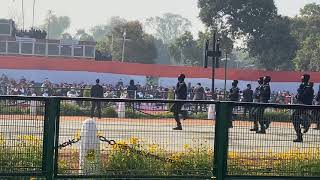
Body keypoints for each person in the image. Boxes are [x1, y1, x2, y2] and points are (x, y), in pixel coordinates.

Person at [292, 74, 314, 142]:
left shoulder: (307, 86)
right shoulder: (305, 85)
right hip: (302, 104)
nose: (301, 78)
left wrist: (299, 94)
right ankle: (305, 125)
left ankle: (300, 134)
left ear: (305, 78)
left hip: (303, 105)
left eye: (302, 77)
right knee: (296, 117)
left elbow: (303, 96)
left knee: (294, 117)